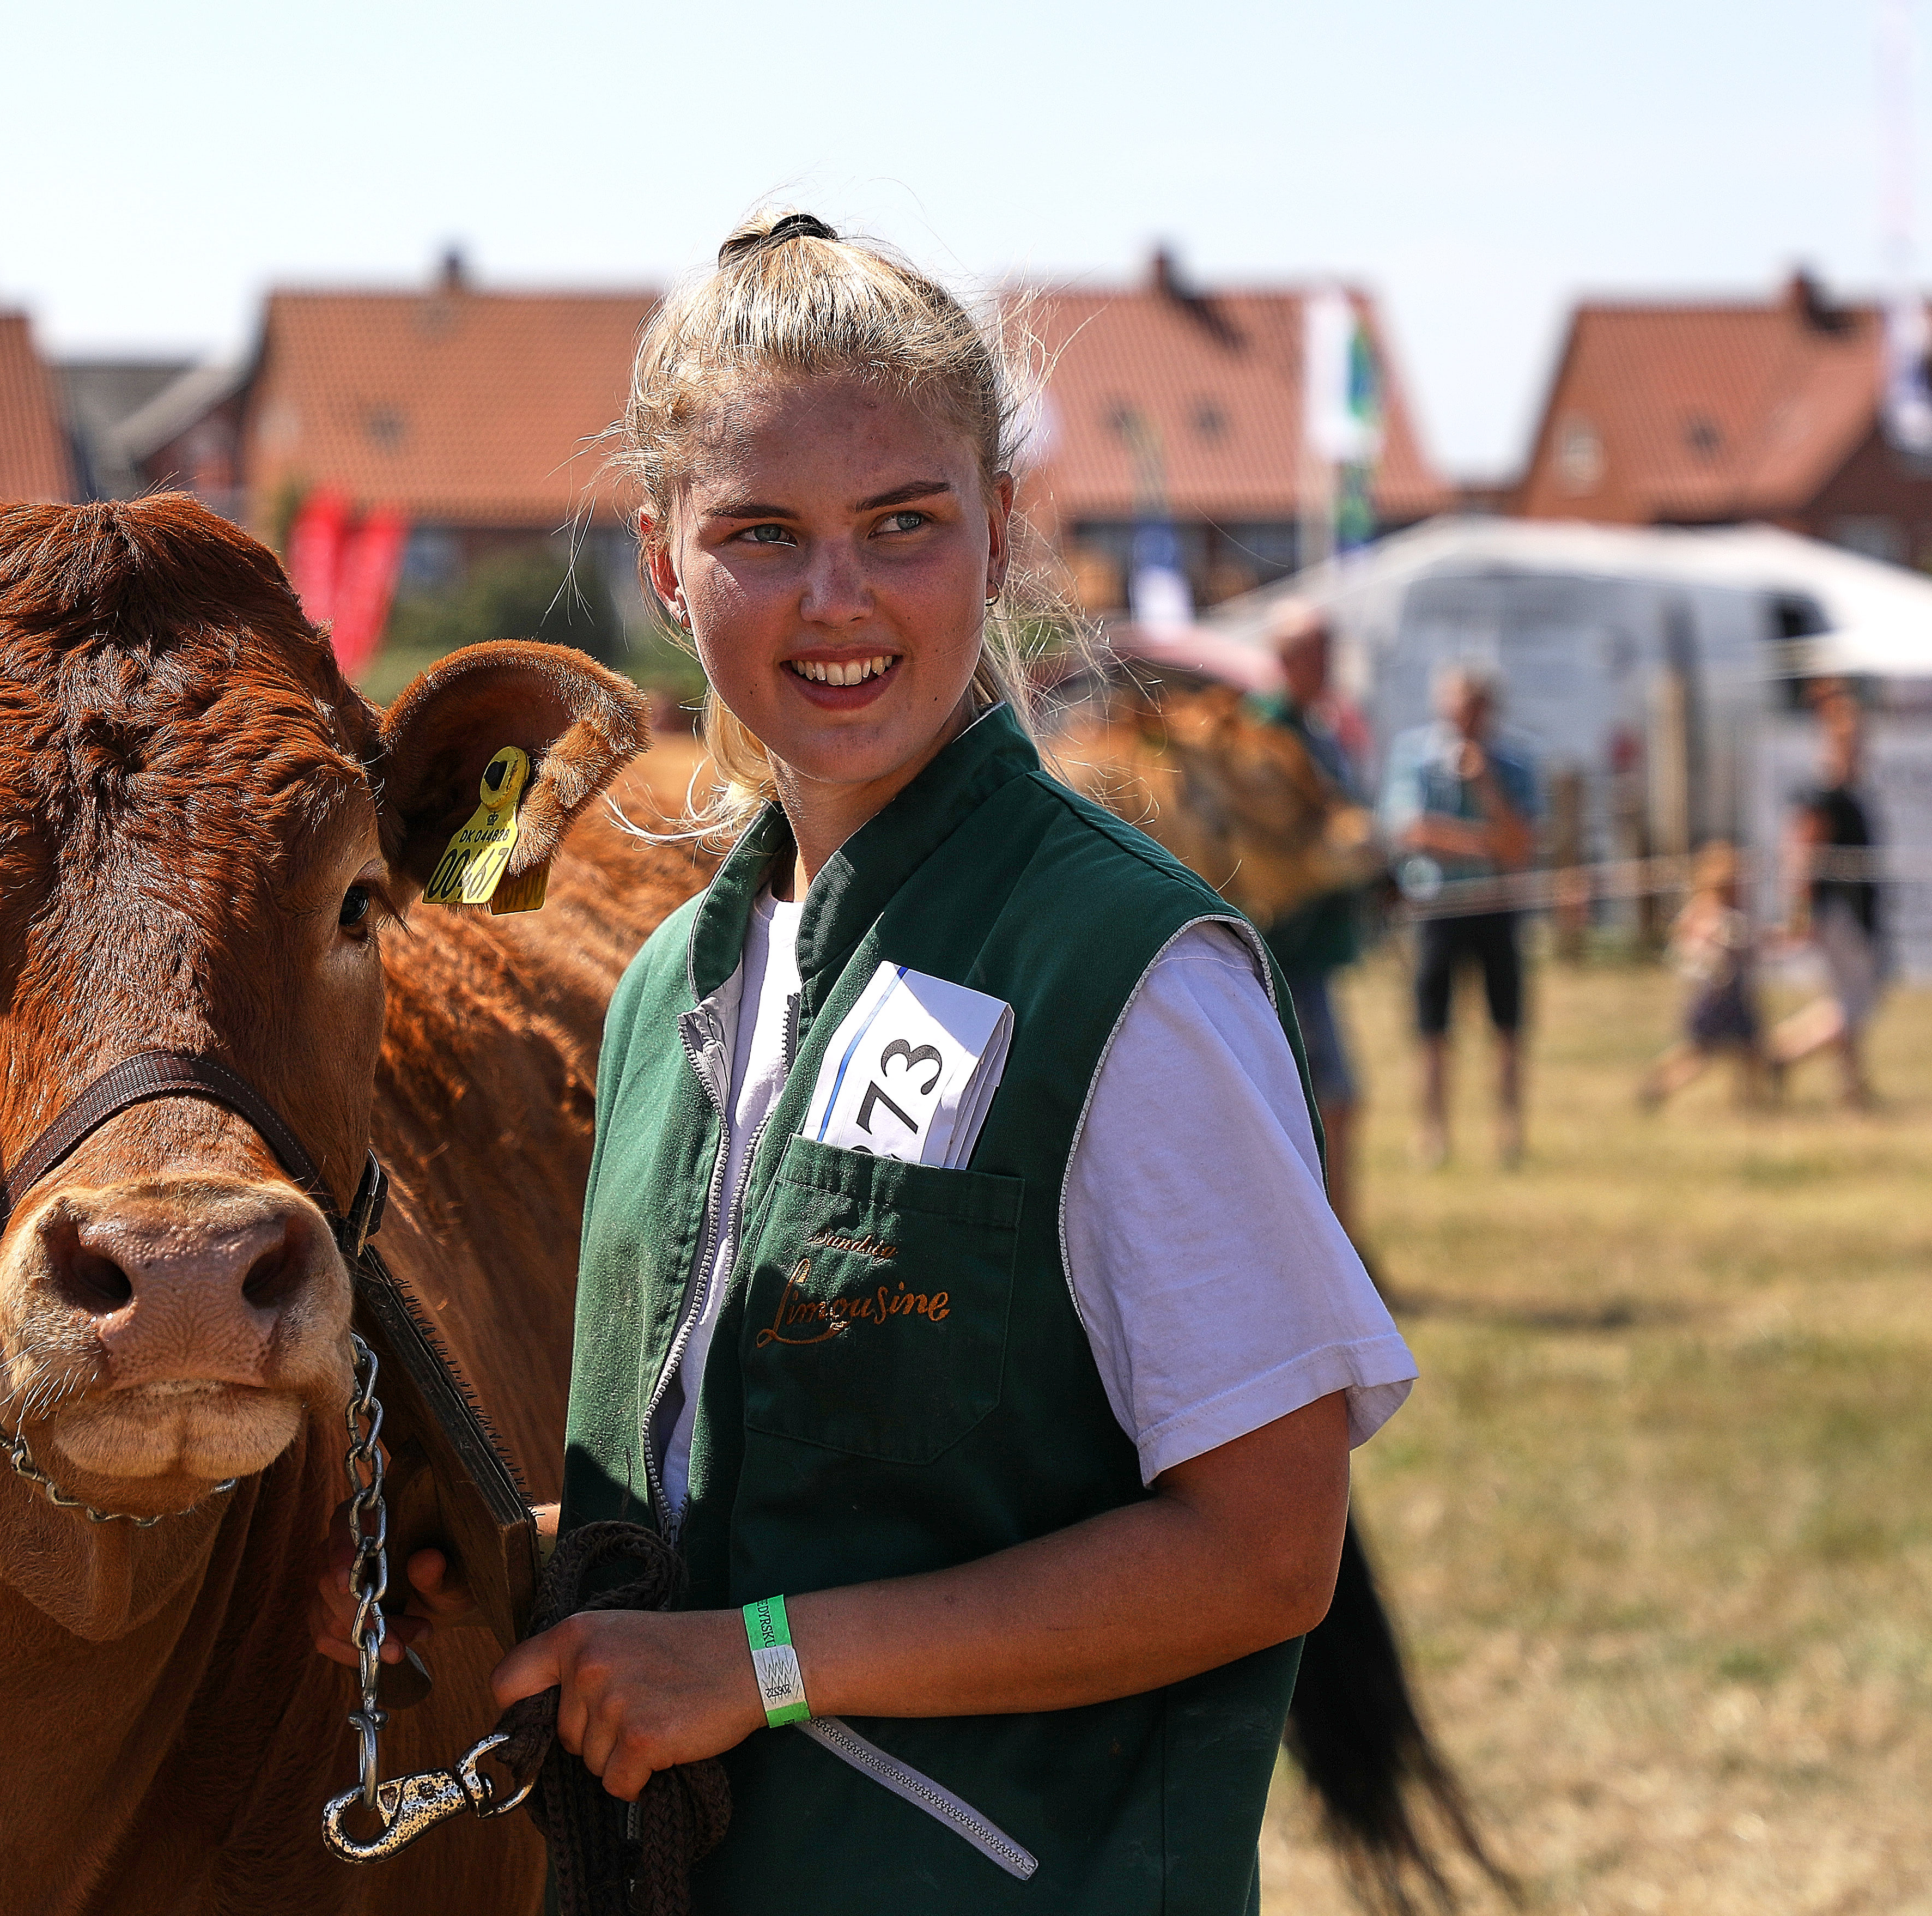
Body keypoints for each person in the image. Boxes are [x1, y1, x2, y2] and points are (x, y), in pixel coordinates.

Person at [317, 214, 1413, 1913]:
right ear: (665, 563)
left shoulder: (1125, 973)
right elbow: (768, 1493)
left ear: (999, 525)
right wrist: (507, 1567)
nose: (837, 600)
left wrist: (758, 1660)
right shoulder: (678, 976)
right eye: (761, 533)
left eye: (900, 522)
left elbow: (1267, 1551)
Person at [1381, 665, 1540, 1168]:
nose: (1463, 718)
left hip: (1496, 907)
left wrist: (1486, 786)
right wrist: (1486, 843)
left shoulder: (1514, 763)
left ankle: (1508, 1134)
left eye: (1472, 708)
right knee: (1432, 1027)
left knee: (1507, 1026)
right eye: (1454, 707)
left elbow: (1522, 847)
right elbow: (1411, 831)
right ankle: (1432, 1133)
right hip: (1439, 909)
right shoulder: (1415, 756)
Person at [1250, 603, 1372, 1244]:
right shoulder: (1260, 736)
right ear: (1285, 658)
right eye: (1314, 652)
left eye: (1330, 651)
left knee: (1330, 1104)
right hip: (1278, 947)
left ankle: (1337, 1241)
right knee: (1327, 1103)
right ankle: (1332, 1246)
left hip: (1314, 945)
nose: (1326, 665)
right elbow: (1269, 842)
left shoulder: (1320, 728)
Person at [1768, 683, 1884, 1107]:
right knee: (1853, 1006)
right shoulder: (1823, 794)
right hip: (1839, 912)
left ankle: (1852, 1089)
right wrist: (1799, 912)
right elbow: (1802, 856)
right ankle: (1781, 1053)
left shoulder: (1846, 792)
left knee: (1848, 1001)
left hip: (1850, 910)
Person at [1639, 841, 1763, 1109]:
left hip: (1727, 993)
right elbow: (1695, 945)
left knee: (1742, 1050)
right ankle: (1661, 1084)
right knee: (1709, 1052)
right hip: (1719, 994)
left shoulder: (1714, 911)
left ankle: (1750, 1102)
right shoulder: (1712, 913)